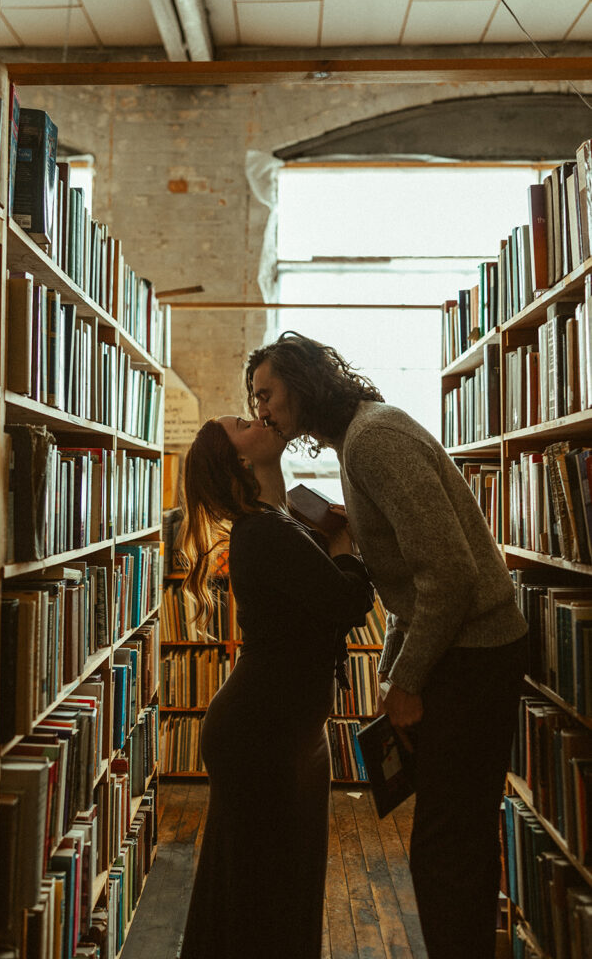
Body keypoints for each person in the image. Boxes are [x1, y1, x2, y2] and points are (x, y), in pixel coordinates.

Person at [245, 331, 528, 959]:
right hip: (461, 652)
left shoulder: (374, 440)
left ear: (301, 381)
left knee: (445, 849)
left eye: (266, 393)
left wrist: (405, 680)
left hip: (475, 655)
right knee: (451, 840)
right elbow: (411, 579)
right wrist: (394, 668)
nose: (261, 408)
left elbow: (448, 576)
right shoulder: (359, 440)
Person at [178, 413, 374, 959]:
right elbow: (346, 602)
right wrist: (345, 545)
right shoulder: (264, 530)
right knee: (263, 889)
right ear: (242, 460)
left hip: (281, 732)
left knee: (269, 883)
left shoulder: (277, 521)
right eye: (243, 422)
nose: (259, 417)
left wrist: (332, 541)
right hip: (262, 736)